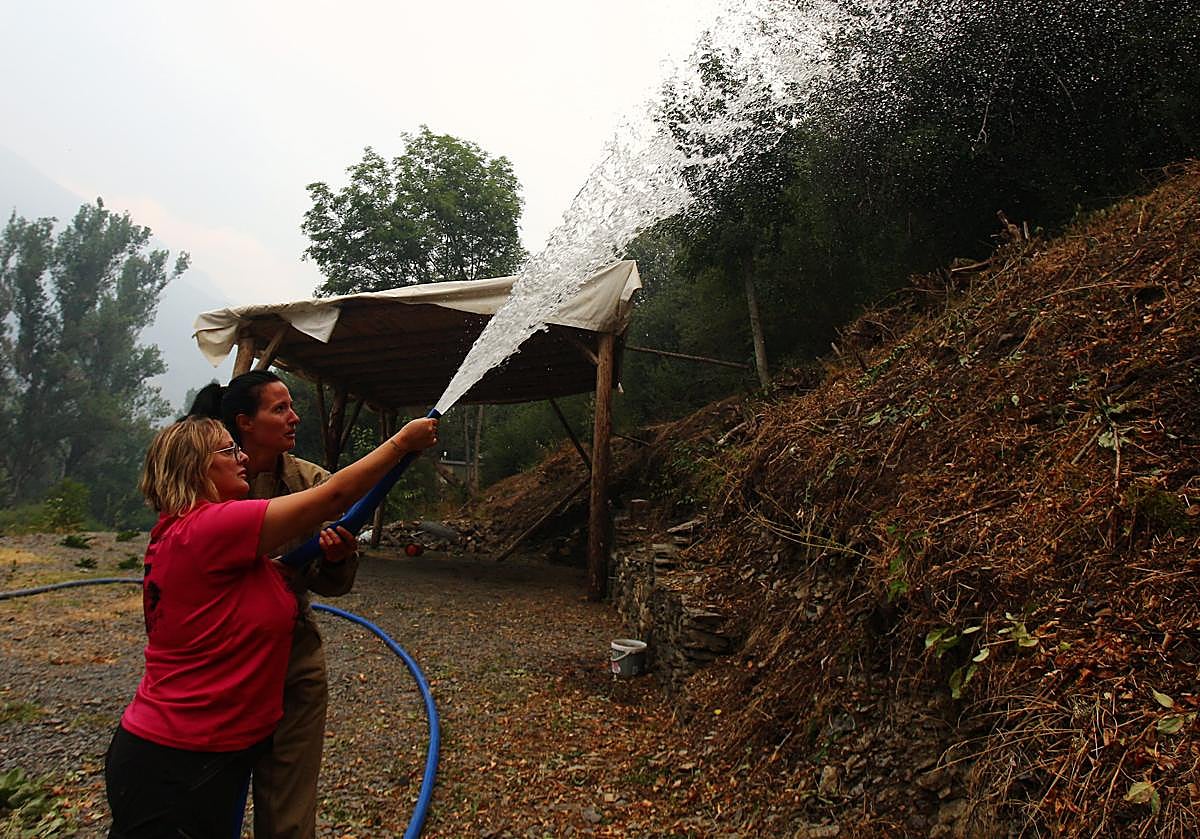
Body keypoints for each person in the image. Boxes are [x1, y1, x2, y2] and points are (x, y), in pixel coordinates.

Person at [104, 412, 438, 838]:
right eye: (229, 450)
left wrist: (325, 555)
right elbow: (333, 496)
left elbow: (267, 577)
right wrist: (402, 444)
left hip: (195, 755)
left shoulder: (189, 533)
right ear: (196, 466)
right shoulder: (213, 526)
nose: (242, 457)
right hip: (179, 763)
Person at [188, 371, 356, 838]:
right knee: (208, 801)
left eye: (291, 406)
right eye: (279, 408)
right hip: (222, 665)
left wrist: (336, 558)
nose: (293, 416)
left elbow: (334, 585)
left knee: (288, 810)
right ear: (244, 422)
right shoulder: (208, 487)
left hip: (293, 659)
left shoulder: (310, 482)